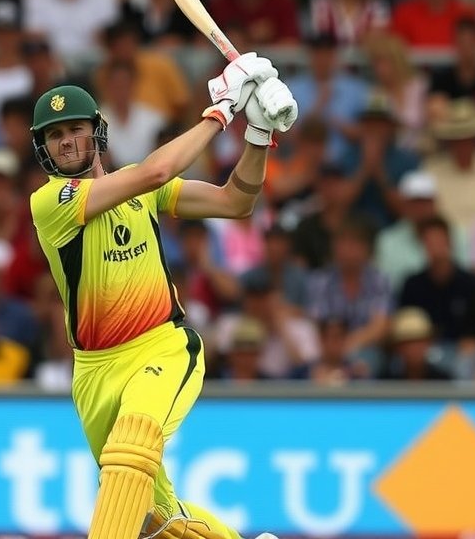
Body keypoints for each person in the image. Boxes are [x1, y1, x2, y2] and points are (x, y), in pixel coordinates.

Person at [28, 51, 296, 539]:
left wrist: (257, 136)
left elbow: (235, 201)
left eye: (74, 129)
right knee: (155, 518)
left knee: (131, 446)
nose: (66, 142)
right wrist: (220, 111)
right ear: (45, 148)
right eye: (54, 135)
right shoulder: (51, 201)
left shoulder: (144, 190)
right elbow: (153, 172)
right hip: (93, 372)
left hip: (162, 346)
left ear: (96, 131)